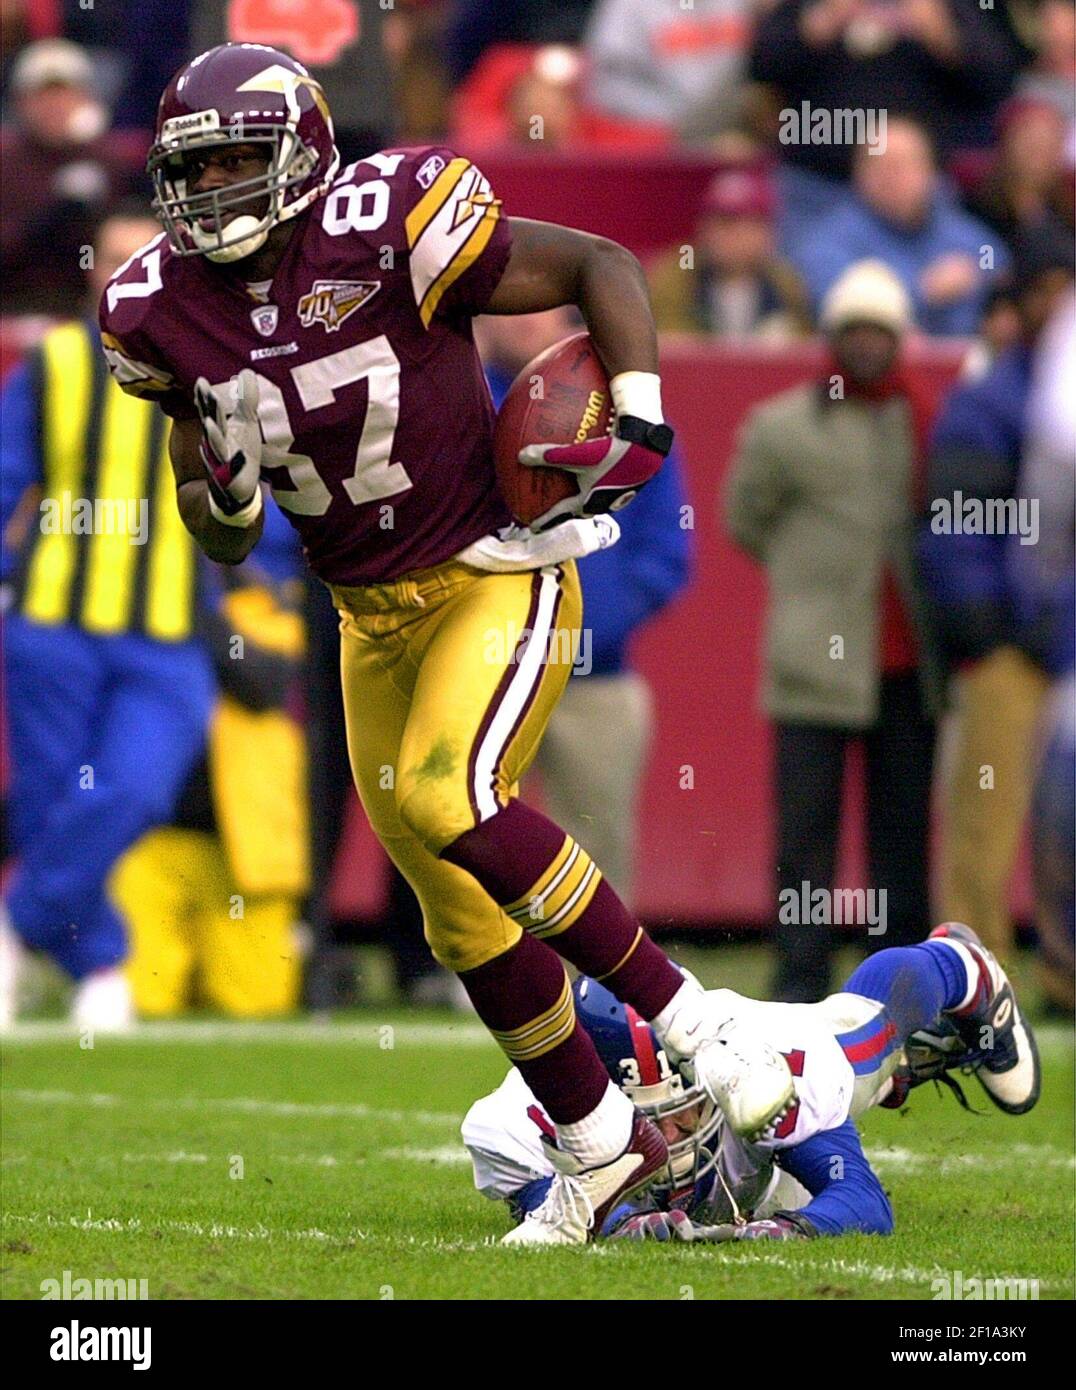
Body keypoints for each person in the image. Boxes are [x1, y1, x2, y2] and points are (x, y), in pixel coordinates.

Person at [97, 41, 795, 1245]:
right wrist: (216, 486)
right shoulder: (157, 309)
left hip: (489, 571)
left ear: (303, 154)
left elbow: (598, 260)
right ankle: (596, 1146)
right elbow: (219, 532)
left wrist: (638, 412)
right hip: (363, 616)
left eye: (233, 163)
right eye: (190, 171)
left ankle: (694, 1017)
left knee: (448, 792)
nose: (208, 193)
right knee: (454, 912)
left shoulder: (386, 218)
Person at [463, 921, 1041, 1242]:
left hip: (762, 1038)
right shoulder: (516, 1121)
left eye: (684, 1108)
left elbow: (863, 1200)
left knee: (867, 1034)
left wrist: (788, 1230)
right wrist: (621, 1223)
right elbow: (551, 1209)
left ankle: (962, 966)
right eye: (649, 1116)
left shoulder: (761, 1076)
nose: (674, 1131)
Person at [0, 204, 214, 1031]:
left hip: (166, 637)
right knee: (54, 804)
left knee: (132, 790)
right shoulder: (54, 362)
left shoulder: (214, 364)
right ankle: (100, 966)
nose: (127, 271)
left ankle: (17, 930)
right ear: (93, 268)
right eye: (115, 258)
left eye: (145, 257)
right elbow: (6, 474)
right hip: (54, 627)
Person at [725, 260, 946, 1002]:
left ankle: (900, 982)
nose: (865, 345)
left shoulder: (921, 417)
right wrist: (809, 587)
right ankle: (799, 982)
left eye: (879, 331)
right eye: (852, 329)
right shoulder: (783, 426)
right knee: (805, 841)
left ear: (899, 340)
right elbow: (743, 519)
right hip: (812, 659)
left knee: (902, 837)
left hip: (907, 664)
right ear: (831, 337)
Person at [477, 307, 692, 904]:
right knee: (473, 835)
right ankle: (487, 978)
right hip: (483, 670)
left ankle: (604, 985)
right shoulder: (458, 405)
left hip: (596, 677)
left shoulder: (625, 415)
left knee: (598, 847)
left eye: (535, 308)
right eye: (507, 310)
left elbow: (666, 552)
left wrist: (591, 623)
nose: (522, 323)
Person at [920, 220, 1075, 959]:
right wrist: (993, 628)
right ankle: (973, 974)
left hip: (1064, 638)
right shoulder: (991, 402)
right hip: (1019, 646)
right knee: (987, 818)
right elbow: (953, 524)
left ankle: (1066, 972)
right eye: (1045, 290)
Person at [113, 500, 309, 1018]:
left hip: (240, 846)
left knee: (257, 1003)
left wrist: (189, 605)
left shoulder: (265, 598)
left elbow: (263, 683)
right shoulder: (120, 603)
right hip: (151, 840)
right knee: (141, 999)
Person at [789, 115, 1008, 337]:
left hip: (967, 361)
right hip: (874, 365)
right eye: (879, 165)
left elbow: (994, 258)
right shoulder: (831, 238)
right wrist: (921, 291)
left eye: (902, 165)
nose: (891, 177)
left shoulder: (953, 228)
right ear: (858, 172)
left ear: (930, 171)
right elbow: (833, 296)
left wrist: (980, 272)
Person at [0, 39, 143, 316]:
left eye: (64, 94)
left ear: (85, 98)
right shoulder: (6, 163)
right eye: (42, 96)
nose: (54, 106)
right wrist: (47, 220)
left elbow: (130, 243)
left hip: (91, 309)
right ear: (20, 102)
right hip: (14, 308)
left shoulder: (109, 160)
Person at [647, 165, 810, 340]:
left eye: (751, 224)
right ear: (704, 228)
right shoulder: (674, 278)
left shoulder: (786, 284)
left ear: (769, 233)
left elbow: (802, 342)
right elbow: (664, 340)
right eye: (725, 223)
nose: (737, 236)